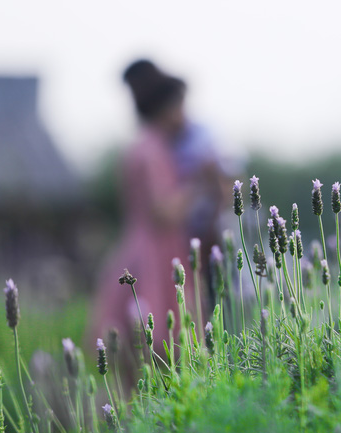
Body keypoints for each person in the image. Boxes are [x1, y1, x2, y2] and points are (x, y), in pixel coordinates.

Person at [88, 59, 223, 375]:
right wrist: (201, 183)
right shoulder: (152, 149)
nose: (184, 115)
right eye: (180, 107)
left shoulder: (142, 146)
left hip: (140, 247)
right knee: (158, 343)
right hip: (155, 254)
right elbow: (163, 211)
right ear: (165, 107)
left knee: (149, 346)